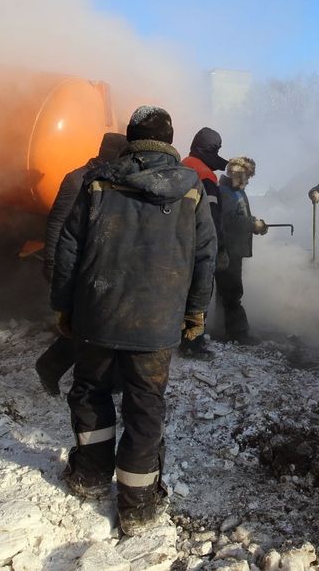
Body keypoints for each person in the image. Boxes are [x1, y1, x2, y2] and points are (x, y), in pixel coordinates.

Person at [50, 106, 216, 536]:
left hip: (97, 313)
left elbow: (68, 249)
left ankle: (88, 476)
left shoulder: (97, 181)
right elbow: (204, 258)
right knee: (145, 405)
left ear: (129, 137)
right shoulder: (191, 188)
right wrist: (195, 310)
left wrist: (64, 306)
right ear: (170, 138)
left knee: (90, 394)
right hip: (157, 321)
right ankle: (137, 504)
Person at [36, 131, 129, 395]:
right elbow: (57, 222)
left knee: (94, 323)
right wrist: (52, 263)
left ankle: (112, 379)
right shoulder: (78, 179)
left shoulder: (110, 180)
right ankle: (49, 366)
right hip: (78, 265)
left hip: (99, 264)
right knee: (86, 325)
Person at [178, 127, 228, 359]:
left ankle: (177, 337)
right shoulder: (206, 176)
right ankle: (192, 342)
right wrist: (221, 247)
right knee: (200, 292)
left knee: (182, 292)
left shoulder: (181, 165)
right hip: (199, 242)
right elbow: (212, 217)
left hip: (177, 241)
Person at [215, 156, 268, 344]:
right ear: (238, 175)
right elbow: (228, 221)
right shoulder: (226, 192)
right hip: (228, 249)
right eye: (247, 176)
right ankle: (239, 333)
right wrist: (252, 225)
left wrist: (255, 222)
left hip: (233, 248)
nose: (248, 180)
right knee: (232, 291)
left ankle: (220, 329)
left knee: (226, 292)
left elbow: (239, 215)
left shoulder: (235, 191)